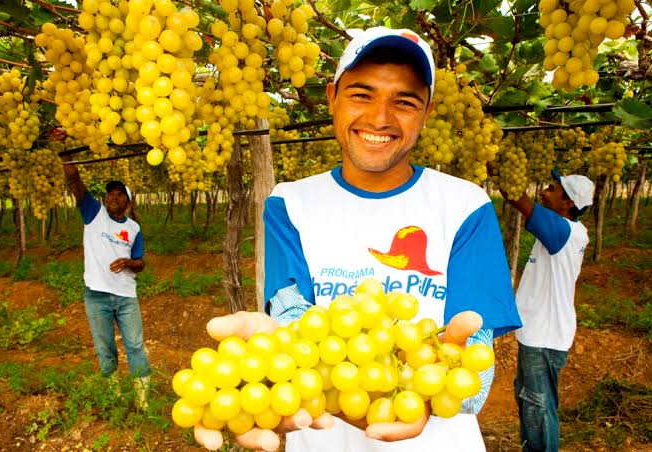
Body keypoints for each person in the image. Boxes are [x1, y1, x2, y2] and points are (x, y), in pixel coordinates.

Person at [195, 26, 522, 451]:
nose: (380, 118)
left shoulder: (465, 206)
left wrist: (445, 385)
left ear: (427, 112)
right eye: (362, 95)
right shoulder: (289, 204)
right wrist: (265, 379)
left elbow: (475, 370)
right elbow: (294, 318)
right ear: (332, 97)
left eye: (404, 101)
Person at [497, 169, 594, 451]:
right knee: (530, 401)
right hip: (538, 335)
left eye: (552, 189)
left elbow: (519, 200)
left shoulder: (564, 231)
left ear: (568, 203)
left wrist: (497, 169)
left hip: (544, 337)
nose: (544, 191)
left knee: (538, 406)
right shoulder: (562, 232)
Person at [63, 159, 151, 409]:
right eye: (110, 193)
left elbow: (141, 262)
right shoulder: (94, 214)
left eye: (119, 194)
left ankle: (142, 404)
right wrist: (66, 156)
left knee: (135, 345)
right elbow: (75, 183)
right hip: (97, 296)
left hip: (126, 297)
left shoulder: (134, 228)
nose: (113, 197)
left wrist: (129, 263)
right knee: (105, 348)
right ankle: (114, 398)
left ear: (128, 202)